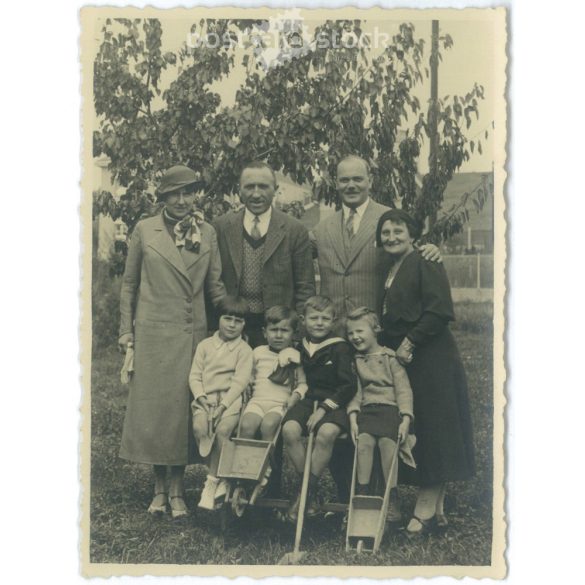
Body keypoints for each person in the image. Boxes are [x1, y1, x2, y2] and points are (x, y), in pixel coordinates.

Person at [311, 154, 441, 503]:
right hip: (337, 338)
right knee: (341, 413)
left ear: (370, 180)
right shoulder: (323, 228)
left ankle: (385, 496)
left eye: (358, 179)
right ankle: (344, 496)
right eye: (343, 180)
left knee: (379, 413)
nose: (351, 185)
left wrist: (429, 249)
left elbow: (406, 250)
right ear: (334, 183)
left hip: (377, 339)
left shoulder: (386, 221)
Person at [118, 165, 226, 518]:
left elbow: (215, 287)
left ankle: (177, 490)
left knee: (182, 410)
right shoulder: (143, 230)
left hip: (190, 332)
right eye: (176, 193)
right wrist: (126, 331)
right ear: (162, 197)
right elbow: (129, 285)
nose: (184, 200)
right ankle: (158, 488)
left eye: (190, 192)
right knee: (157, 411)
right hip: (152, 333)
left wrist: (241, 312)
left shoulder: (206, 232)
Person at [376, 208, 475, 534]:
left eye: (398, 231)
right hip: (410, 360)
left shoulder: (425, 261)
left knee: (435, 429)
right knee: (423, 424)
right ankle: (437, 504)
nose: (391, 237)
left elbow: (439, 310)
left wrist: (409, 342)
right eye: (386, 232)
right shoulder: (393, 267)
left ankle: (426, 509)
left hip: (431, 357)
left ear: (413, 234)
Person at [213, 161, 316, 348]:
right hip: (233, 327)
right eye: (249, 187)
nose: (256, 194)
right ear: (239, 190)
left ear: (275, 189)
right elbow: (213, 281)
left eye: (263, 187)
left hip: (277, 330)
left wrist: (297, 334)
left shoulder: (295, 230)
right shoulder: (220, 227)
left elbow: (305, 288)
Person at [282, 295, 357, 521]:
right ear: (303, 320)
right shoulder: (300, 346)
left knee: (326, 433)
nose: (320, 322)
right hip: (309, 398)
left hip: (336, 402)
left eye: (326, 318)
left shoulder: (340, 348)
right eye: (314, 318)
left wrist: (324, 409)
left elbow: (348, 385)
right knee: (289, 430)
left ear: (333, 321)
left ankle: (305, 494)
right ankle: (309, 491)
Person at [189, 296, 254, 511]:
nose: (232, 325)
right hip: (206, 399)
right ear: (219, 319)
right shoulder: (205, 345)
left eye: (238, 321)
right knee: (200, 430)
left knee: (224, 432)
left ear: (244, 324)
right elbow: (194, 376)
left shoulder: (244, 349)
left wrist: (224, 406)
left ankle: (212, 483)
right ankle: (221, 472)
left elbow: (240, 381)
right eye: (228, 319)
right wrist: (202, 398)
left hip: (230, 400)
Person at [346, 307, 414, 498]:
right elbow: (356, 392)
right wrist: (353, 418)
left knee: (387, 443)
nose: (355, 337)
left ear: (375, 329)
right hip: (367, 411)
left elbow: (403, 390)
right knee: (364, 443)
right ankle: (362, 492)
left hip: (390, 410)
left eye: (360, 331)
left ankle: (391, 495)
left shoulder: (390, 357)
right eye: (350, 333)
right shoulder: (356, 361)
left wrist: (406, 419)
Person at [239, 305, 308, 442]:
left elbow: (303, 383)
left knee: (268, 426)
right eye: (273, 330)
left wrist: (296, 395)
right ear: (265, 332)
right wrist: (247, 383)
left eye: (284, 330)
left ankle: (268, 462)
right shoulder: (258, 352)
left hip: (279, 404)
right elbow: (249, 375)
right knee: (246, 426)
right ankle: (246, 462)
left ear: (294, 333)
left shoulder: (296, 357)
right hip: (257, 401)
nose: (278, 335)